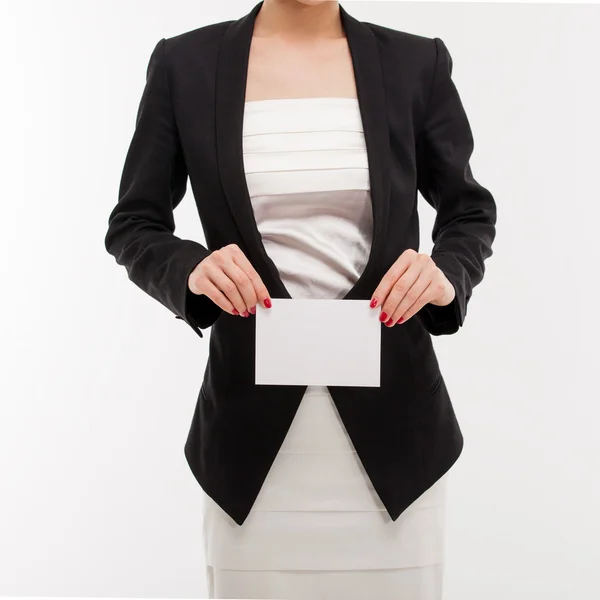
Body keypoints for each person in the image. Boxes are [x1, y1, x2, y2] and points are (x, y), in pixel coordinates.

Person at [104, 1, 497, 598]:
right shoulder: (185, 64)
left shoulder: (418, 62)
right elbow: (134, 223)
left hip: (395, 436)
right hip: (251, 443)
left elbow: (468, 210)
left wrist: (447, 272)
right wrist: (191, 268)